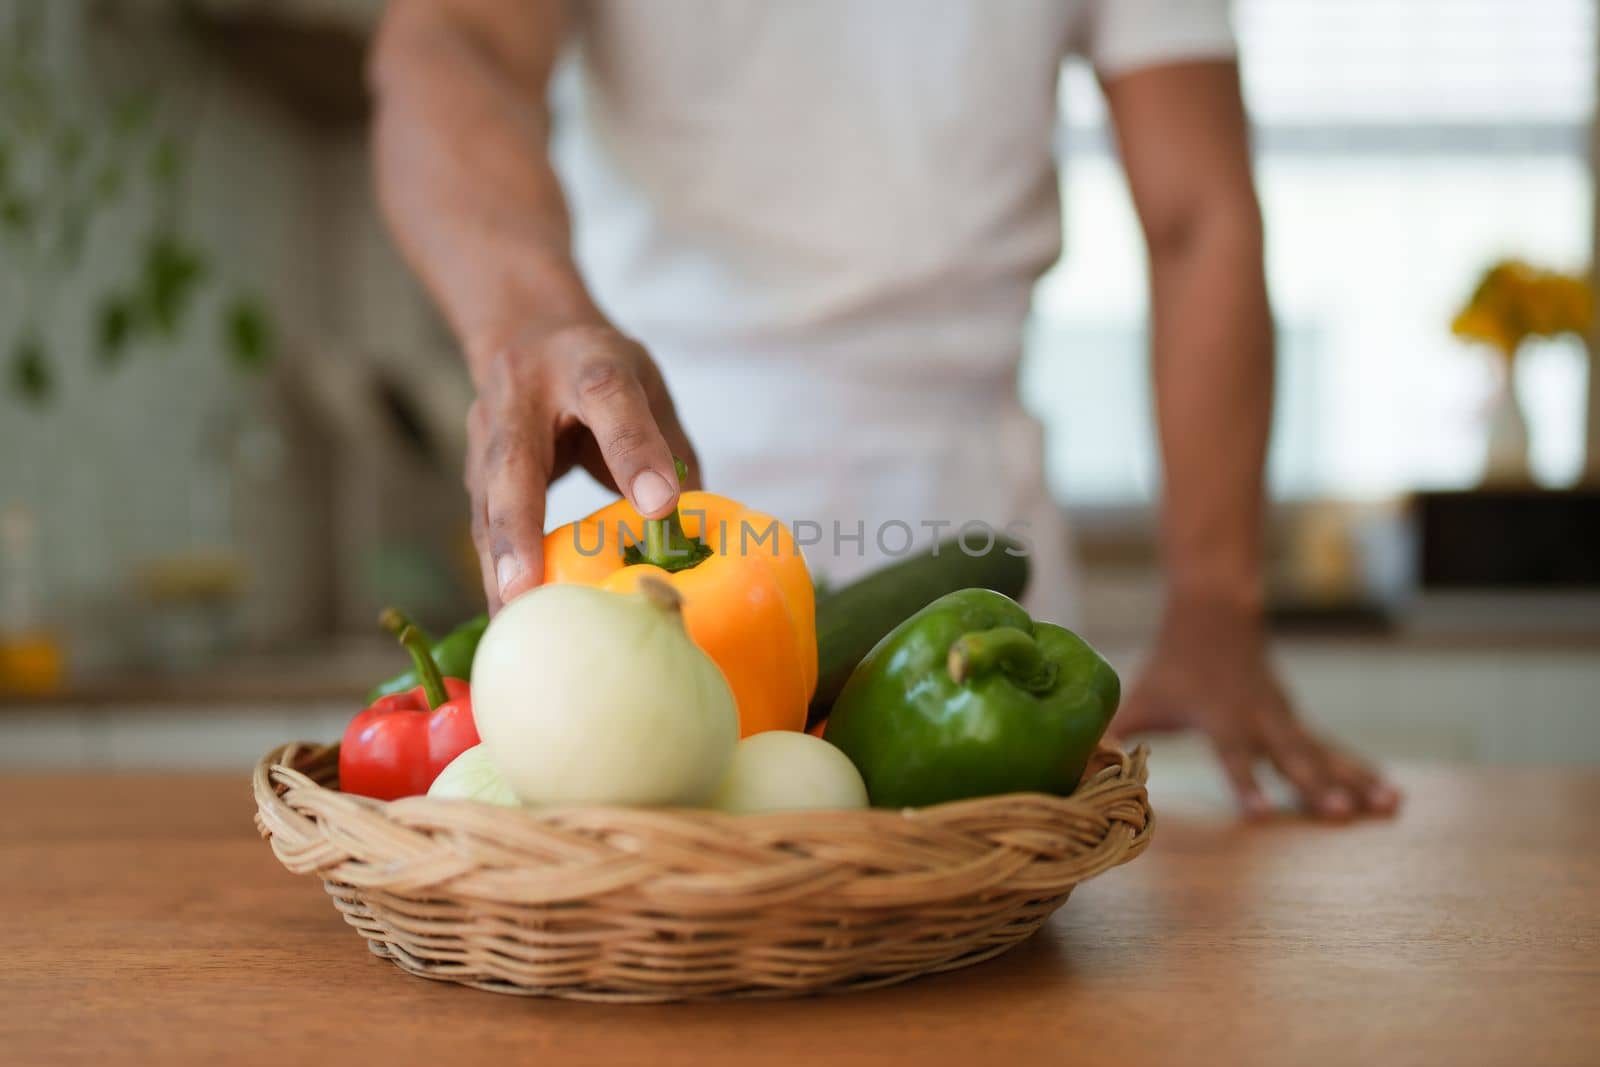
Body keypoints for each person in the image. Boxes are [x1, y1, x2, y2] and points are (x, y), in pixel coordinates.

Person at [370, 0, 1400, 820]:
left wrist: (1216, 598)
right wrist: (533, 318)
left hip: (967, 526)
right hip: (631, 475)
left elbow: (1200, 218)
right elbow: (448, 40)